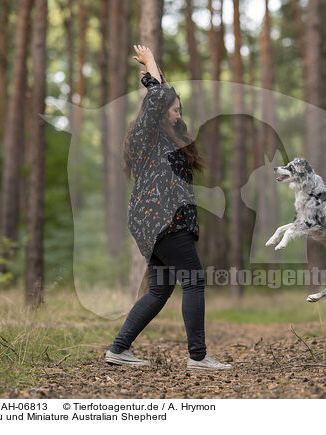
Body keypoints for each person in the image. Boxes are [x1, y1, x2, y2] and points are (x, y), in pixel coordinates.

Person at [105, 45, 232, 371]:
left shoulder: (166, 139)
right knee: (194, 279)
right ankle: (199, 357)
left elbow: (164, 101)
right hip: (163, 218)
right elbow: (160, 100)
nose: (179, 114)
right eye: (175, 110)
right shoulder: (144, 135)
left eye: (179, 109)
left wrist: (154, 80)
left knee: (160, 289)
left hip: (162, 220)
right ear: (158, 112)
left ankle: (119, 349)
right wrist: (152, 66)